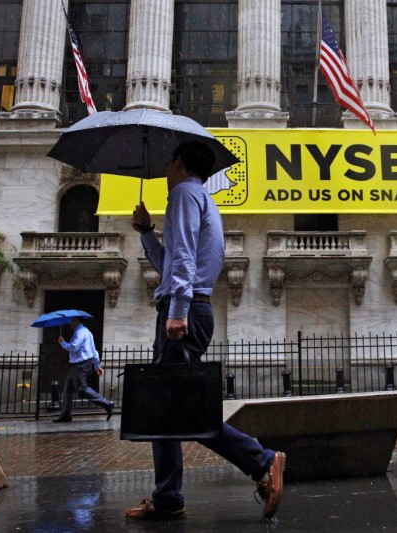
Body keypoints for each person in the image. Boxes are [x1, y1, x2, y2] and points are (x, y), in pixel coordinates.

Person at [125, 140, 285, 522]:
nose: (165, 169)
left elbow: (181, 260)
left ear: (179, 163)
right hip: (193, 307)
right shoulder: (201, 198)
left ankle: (262, 460)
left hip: (186, 310)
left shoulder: (183, 194)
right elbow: (173, 261)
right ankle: (167, 498)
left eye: (168, 162)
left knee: (179, 410)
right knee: (167, 410)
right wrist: (147, 232)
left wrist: (177, 310)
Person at [54, 316, 114, 422]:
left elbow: (74, 347)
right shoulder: (87, 332)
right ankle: (66, 414)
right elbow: (94, 351)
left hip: (80, 364)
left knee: (82, 389)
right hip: (79, 364)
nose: (70, 323)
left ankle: (107, 404)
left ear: (77, 320)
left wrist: (62, 342)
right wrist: (97, 366)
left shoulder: (80, 333)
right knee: (68, 389)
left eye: (72, 320)